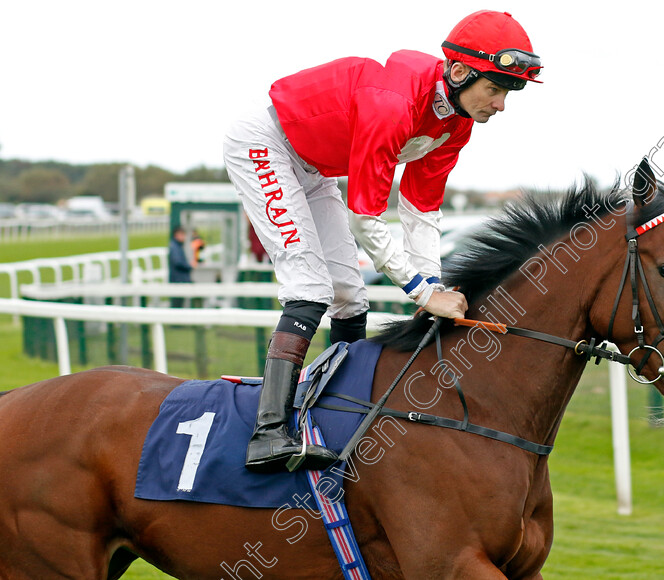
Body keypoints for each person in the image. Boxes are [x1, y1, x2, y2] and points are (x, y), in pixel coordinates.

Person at [222, 10, 542, 473]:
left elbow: (421, 209)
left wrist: (433, 281)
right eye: (495, 89)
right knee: (311, 288)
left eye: (509, 92)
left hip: (313, 167)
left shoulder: (457, 121)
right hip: (265, 144)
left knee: (350, 297)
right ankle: (268, 433)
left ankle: (336, 417)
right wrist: (421, 292)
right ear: (458, 72)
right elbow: (366, 217)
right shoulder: (393, 103)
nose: (501, 104)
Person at [168, 227, 192, 308]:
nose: (184, 237)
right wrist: (189, 267)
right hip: (178, 280)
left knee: (180, 303)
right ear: (176, 235)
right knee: (177, 304)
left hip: (179, 279)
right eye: (182, 235)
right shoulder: (175, 247)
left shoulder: (177, 246)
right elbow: (177, 262)